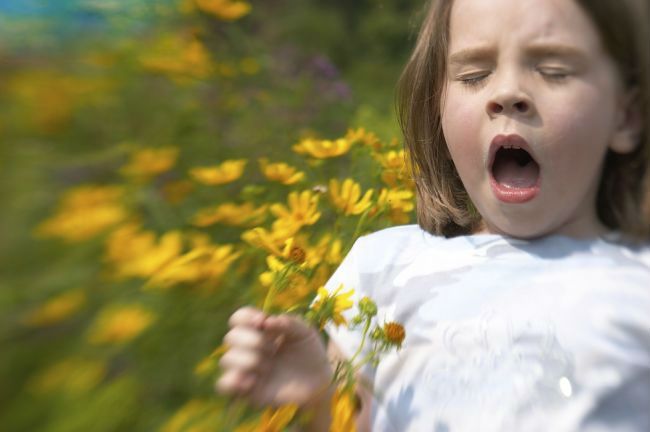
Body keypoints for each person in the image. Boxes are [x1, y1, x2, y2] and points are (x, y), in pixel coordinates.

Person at [217, 0, 650, 430]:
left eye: (554, 70)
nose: (506, 94)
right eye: (474, 75)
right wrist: (317, 400)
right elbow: (353, 422)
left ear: (626, 115)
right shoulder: (385, 266)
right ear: (437, 105)